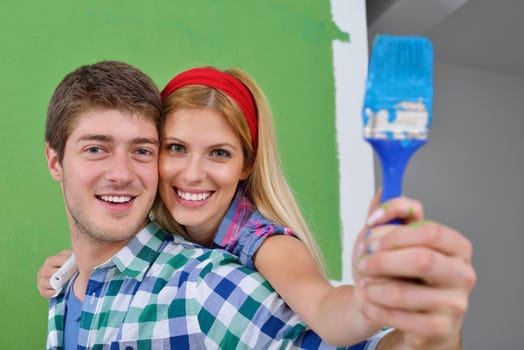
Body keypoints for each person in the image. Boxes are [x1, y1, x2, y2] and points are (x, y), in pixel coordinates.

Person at [40, 61, 476, 349]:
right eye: (175, 147)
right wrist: (71, 269)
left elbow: (327, 311)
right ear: (55, 161)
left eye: (220, 153)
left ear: (247, 164)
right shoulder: (72, 285)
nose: (192, 174)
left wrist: (387, 305)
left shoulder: (229, 269)